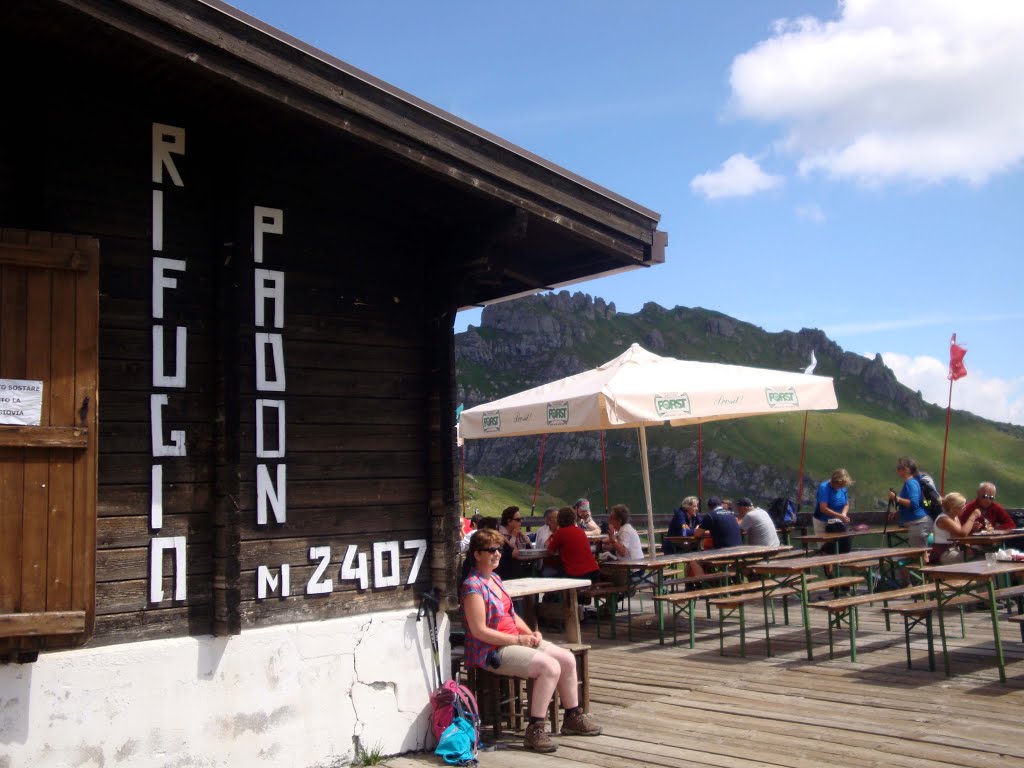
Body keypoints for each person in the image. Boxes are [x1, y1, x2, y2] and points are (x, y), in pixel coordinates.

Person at [460, 529, 602, 752]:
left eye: (499, 549)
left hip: (514, 640)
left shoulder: (495, 579)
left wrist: (530, 633)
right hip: (491, 650)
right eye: (492, 550)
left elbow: (511, 614)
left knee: (566, 658)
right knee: (549, 667)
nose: (498, 554)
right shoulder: (472, 587)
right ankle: (535, 729)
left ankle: (573, 717)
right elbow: (479, 631)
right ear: (477, 554)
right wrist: (518, 640)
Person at [689, 497, 743, 578]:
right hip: (738, 551)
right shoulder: (731, 515)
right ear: (720, 505)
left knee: (693, 561)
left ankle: (704, 583)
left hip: (723, 552)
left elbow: (697, 534)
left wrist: (697, 529)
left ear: (709, 507)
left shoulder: (711, 516)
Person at [546, 507, 602, 583]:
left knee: (555, 574)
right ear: (574, 519)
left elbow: (550, 551)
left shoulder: (560, 533)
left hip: (577, 574)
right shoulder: (580, 531)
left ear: (559, 520)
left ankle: (554, 594)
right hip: (594, 571)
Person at [888, 457, 933, 548]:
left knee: (918, 556)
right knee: (919, 555)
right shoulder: (913, 482)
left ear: (907, 470)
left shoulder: (910, 483)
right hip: (919, 524)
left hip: (918, 524)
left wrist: (896, 498)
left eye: (900, 468)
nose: (898, 470)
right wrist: (899, 513)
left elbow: (914, 504)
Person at [931, 492, 982, 563]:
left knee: (980, 551)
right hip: (944, 553)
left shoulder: (955, 518)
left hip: (954, 550)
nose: (965, 508)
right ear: (953, 507)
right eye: (962, 506)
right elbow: (962, 533)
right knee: (976, 557)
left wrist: (971, 528)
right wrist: (973, 516)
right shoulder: (944, 519)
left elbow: (959, 536)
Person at [496, 506, 533, 581]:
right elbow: (510, 553)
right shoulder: (500, 534)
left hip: (519, 567)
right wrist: (513, 537)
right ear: (509, 521)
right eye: (518, 520)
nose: (521, 522)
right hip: (506, 571)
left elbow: (530, 549)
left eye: (521, 519)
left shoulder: (517, 532)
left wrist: (524, 538)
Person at [814, 469, 852, 534]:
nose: (842, 487)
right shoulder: (824, 487)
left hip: (836, 521)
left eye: (843, 485)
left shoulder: (843, 488)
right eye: (840, 485)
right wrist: (839, 516)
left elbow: (846, 504)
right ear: (834, 482)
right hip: (822, 521)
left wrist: (843, 514)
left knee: (840, 542)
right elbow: (823, 508)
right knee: (824, 543)